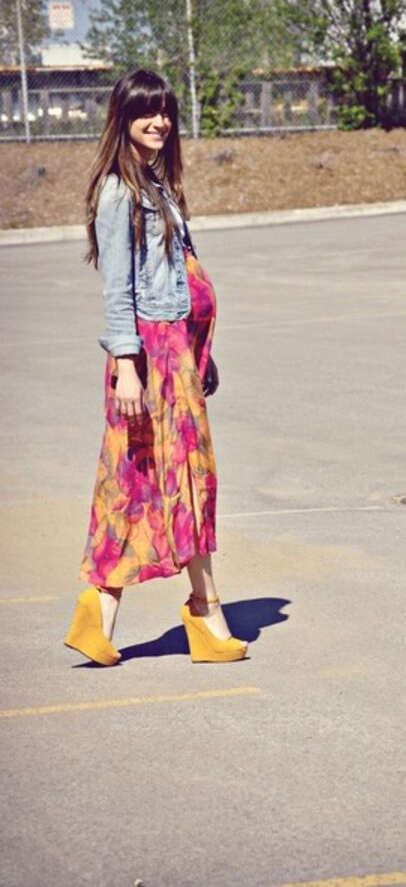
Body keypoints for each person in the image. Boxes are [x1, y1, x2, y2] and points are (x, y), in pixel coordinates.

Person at [64, 69, 247, 665]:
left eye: (166, 110)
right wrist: (126, 364)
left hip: (176, 354)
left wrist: (200, 350)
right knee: (175, 480)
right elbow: (117, 289)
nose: (160, 121)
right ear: (124, 117)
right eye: (147, 111)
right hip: (148, 360)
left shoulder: (157, 185)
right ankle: (205, 615)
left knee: (146, 482)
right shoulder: (120, 192)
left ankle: (100, 614)